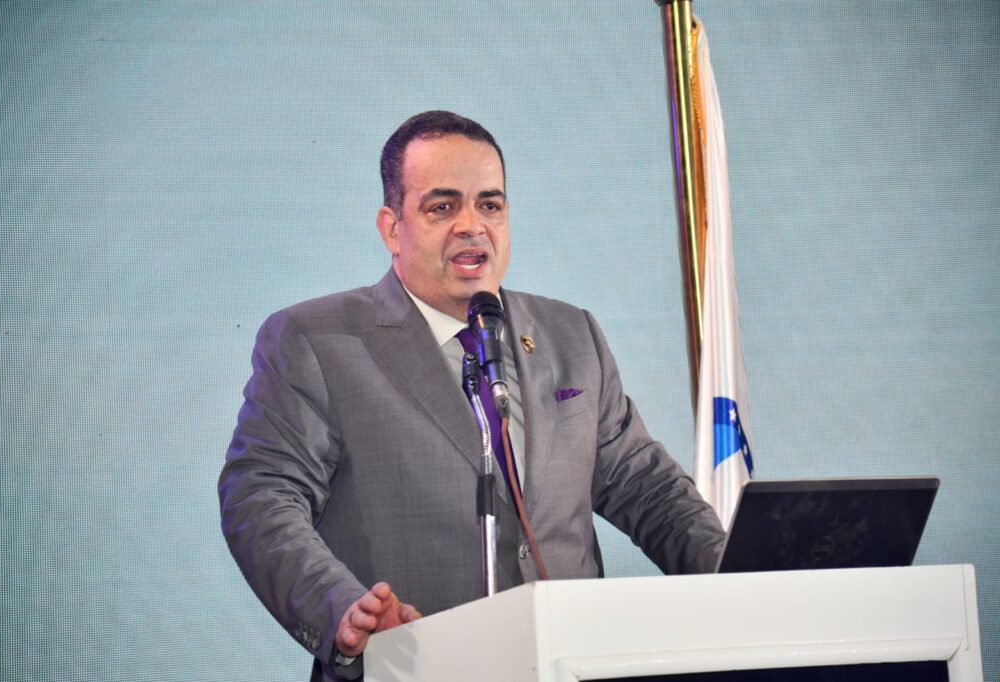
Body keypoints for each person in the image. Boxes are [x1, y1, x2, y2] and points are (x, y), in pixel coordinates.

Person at [219, 110, 726, 681]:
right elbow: (261, 498)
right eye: (442, 207)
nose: (471, 225)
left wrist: (739, 575)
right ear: (392, 227)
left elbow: (646, 488)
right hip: (408, 669)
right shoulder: (318, 341)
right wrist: (341, 609)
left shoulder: (570, 335)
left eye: (490, 205)